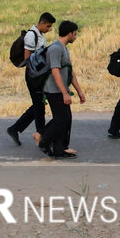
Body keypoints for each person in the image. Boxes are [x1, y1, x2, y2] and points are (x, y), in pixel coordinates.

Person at [6, 12, 55, 146]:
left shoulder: (40, 36)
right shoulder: (31, 36)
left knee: (38, 105)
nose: (49, 29)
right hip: (33, 75)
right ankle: (42, 136)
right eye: (48, 26)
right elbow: (28, 58)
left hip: (38, 75)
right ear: (42, 23)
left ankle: (15, 129)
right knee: (39, 107)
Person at [41, 20, 85, 159]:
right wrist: (65, 93)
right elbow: (55, 72)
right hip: (54, 90)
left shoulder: (63, 48)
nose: (76, 37)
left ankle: (60, 148)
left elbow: (70, 72)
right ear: (70, 33)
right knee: (61, 119)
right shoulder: (55, 48)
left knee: (66, 119)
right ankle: (44, 141)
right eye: (75, 34)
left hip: (61, 90)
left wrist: (79, 91)